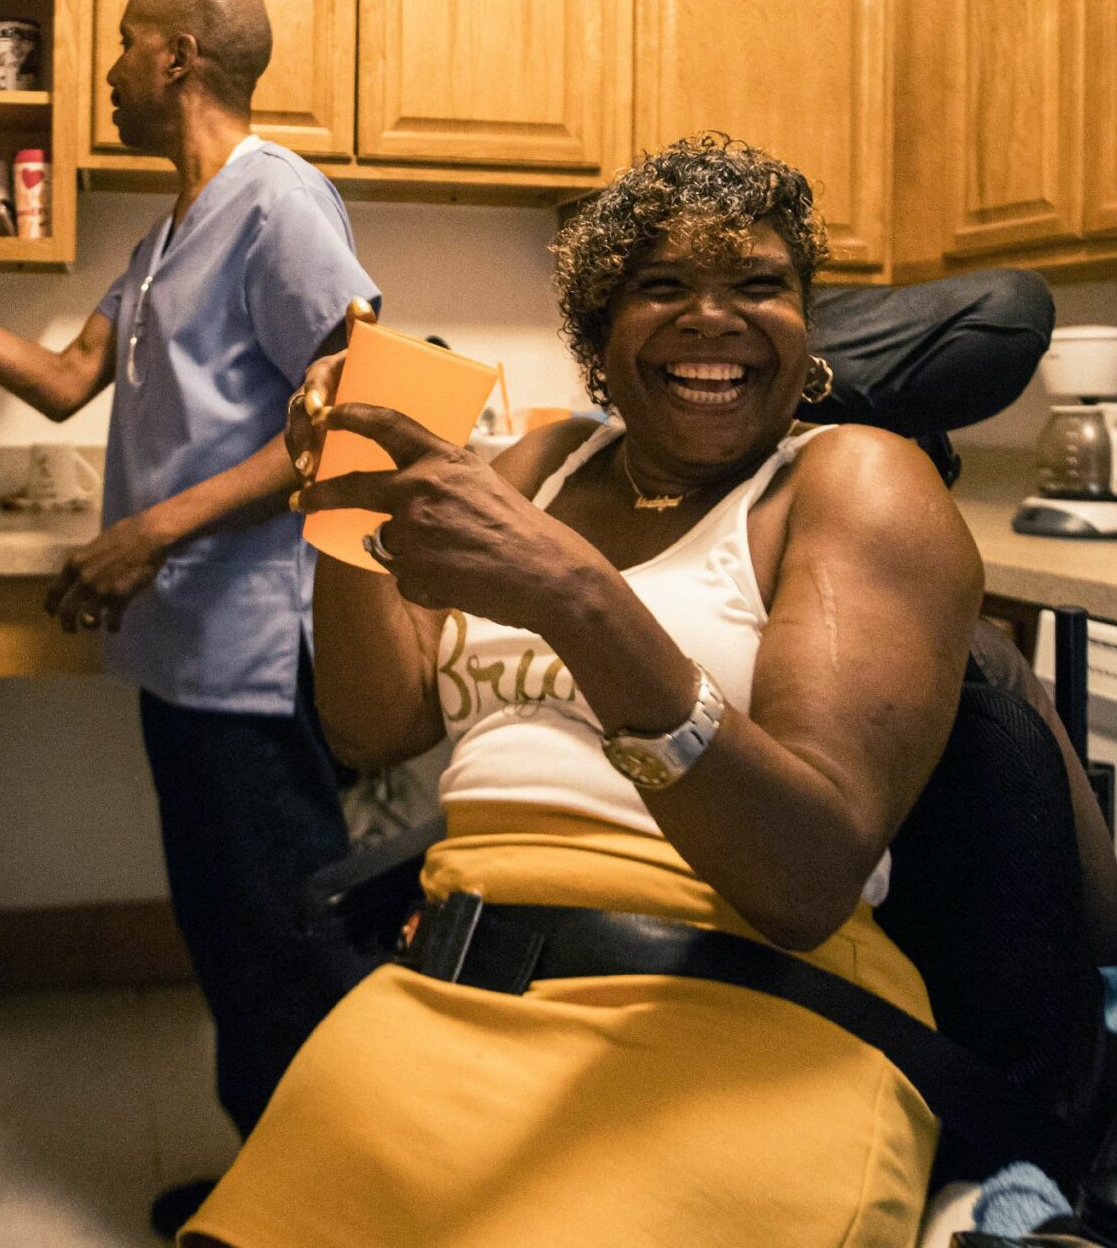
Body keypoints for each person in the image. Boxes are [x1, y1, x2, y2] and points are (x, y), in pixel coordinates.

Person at [181, 132, 985, 1248]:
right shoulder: (539, 467)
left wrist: (576, 595)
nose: (712, 317)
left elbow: (803, 879)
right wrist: (345, 492)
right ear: (599, 339)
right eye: (662, 287)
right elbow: (373, 727)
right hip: (451, 987)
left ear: (805, 331)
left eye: (758, 283)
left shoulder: (853, 479)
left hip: (748, 1000)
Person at [0, 0, 379, 1238]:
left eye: (123, 48)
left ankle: (330, 1209)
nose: (107, 74)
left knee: (282, 949)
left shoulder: (277, 203)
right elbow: (68, 380)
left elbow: (356, 414)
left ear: (177, 58)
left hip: (250, 648)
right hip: (180, 652)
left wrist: (152, 530)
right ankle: (271, 1184)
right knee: (229, 940)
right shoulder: (166, 234)